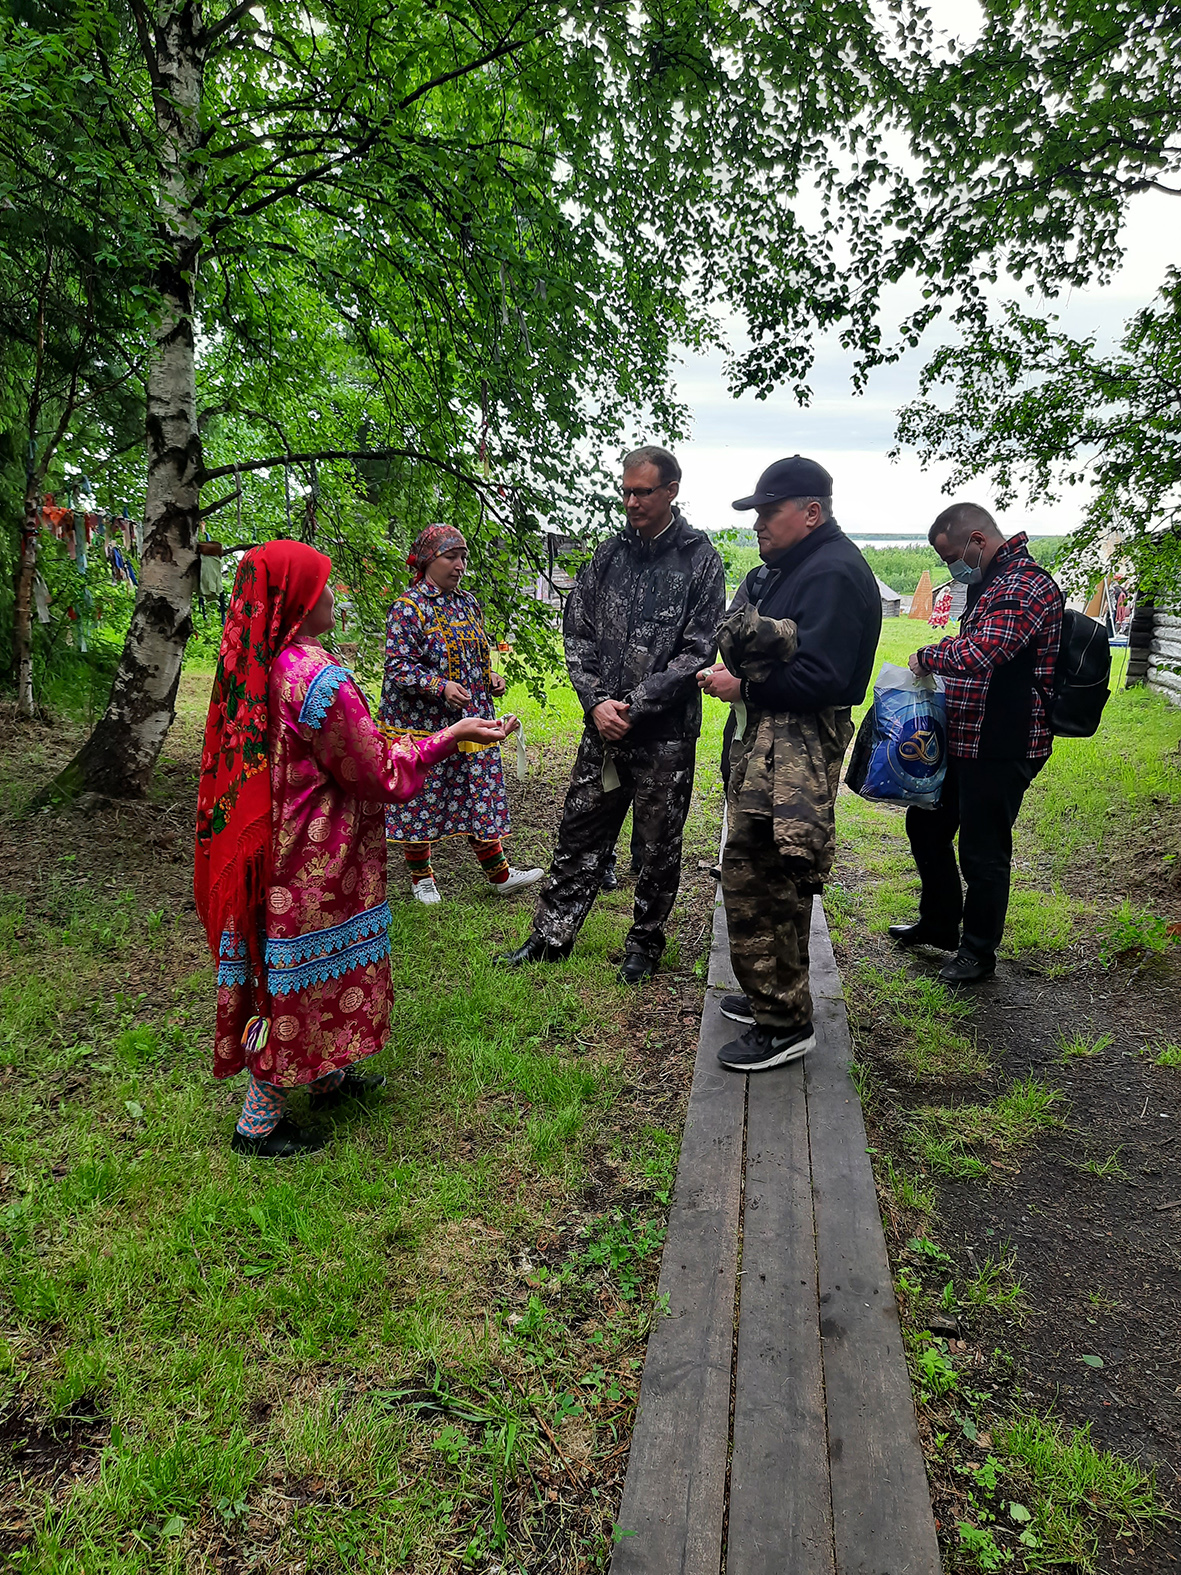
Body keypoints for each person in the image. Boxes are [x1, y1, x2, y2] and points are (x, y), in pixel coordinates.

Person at [194, 539, 510, 1157]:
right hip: (318, 851)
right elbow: (375, 771)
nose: (334, 594)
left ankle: (329, 1074)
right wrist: (453, 736)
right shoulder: (316, 676)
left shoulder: (261, 662)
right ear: (302, 600)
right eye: (325, 585)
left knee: (294, 962)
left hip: (272, 844)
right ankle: (258, 1123)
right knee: (297, 974)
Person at [498, 445, 726, 984]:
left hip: (663, 735)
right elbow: (575, 631)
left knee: (656, 844)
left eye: (642, 491)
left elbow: (699, 650)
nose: (631, 501)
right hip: (602, 730)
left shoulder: (700, 558)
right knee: (579, 831)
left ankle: (643, 946)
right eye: (625, 491)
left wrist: (637, 704)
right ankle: (551, 936)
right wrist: (596, 701)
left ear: (671, 491)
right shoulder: (609, 553)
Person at [698, 456, 881, 1070]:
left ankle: (783, 1024)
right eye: (755, 514)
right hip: (773, 748)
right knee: (757, 869)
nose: (759, 525)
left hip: (794, 752)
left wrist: (744, 687)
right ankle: (768, 994)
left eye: (768, 512)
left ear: (811, 511)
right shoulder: (794, 566)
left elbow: (826, 677)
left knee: (766, 873)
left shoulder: (832, 570)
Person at [890, 503, 1063, 984]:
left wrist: (929, 654)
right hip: (970, 739)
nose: (953, 568)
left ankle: (978, 953)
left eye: (952, 557)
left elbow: (986, 649)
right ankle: (940, 922)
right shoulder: (992, 581)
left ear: (978, 541)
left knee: (983, 852)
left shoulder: (1024, 583)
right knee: (926, 826)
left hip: (1003, 744)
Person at [379, 523, 542, 904]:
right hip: (423, 727)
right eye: (451, 557)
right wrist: (440, 687)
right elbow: (398, 667)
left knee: (476, 792)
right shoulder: (408, 608)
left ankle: (500, 875)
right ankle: (422, 879)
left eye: (463, 557)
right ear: (427, 560)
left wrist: (491, 677)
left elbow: (474, 658)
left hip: (473, 720)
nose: (459, 565)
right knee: (422, 797)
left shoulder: (468, 603)